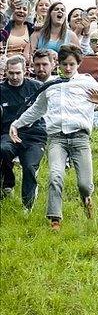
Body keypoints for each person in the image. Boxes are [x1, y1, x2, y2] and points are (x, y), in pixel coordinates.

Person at [9, 44, 98, 230]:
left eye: (72, 64)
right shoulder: (50, 85)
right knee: (55, 176)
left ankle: (86, 198)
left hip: (80, 138)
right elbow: (36, 109)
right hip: (57, 138)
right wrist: (16, 124)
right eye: (64, 64)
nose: (68, 68)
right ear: (58, 64)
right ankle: (55, 219)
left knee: (84, 184)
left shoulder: (87, 82)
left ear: (78, 64)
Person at [0, 55, 46, 210]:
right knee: (3, 150)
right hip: (7, 134)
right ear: (5, 71)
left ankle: (27, 207)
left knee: (29, 167)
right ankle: (8, 183)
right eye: (11, 73)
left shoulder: (37, 87)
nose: (14, 77)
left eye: (18, 73)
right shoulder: (1, 90)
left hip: (34, 135)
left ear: (25, 71)